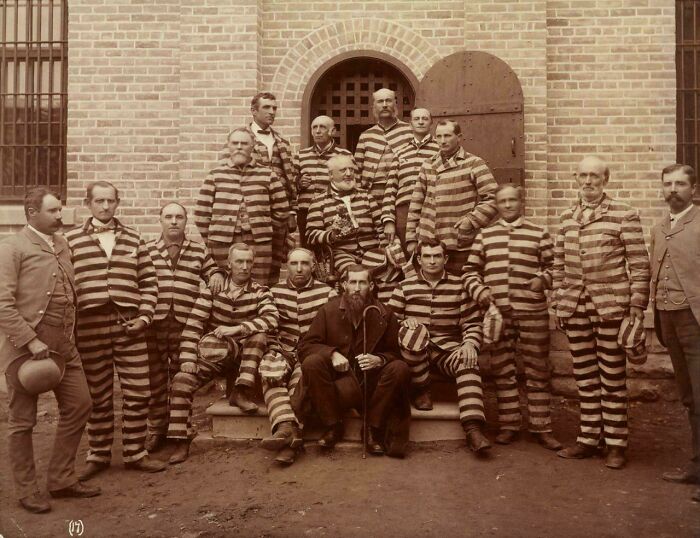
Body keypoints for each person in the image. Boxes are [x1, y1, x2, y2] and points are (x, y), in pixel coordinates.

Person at [0, 188, 99, 513]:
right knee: (22, 421)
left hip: (63, 344)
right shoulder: (12, 247)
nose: (60, 216)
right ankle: (27, 490)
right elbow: (2, 304)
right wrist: (30, 340)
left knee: (80, 404)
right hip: (27, 347)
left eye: (60, 211)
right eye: (53, 211)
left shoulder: (61, 244)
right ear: (31, 212)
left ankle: (60, 478)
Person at [553, 156, 650, 470]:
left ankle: (616, 444)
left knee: (612, 377)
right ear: (576, 179)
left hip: (610, 308)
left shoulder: (624, 214)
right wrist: (558, 302)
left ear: (605, 179)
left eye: (594, 175)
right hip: (575, 307)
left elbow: (639, 265)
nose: (588, 181)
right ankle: (588, 438)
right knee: (584, 376)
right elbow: (558, 266)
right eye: (582, 175)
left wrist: (636, 307)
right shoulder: (567, 217)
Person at [65, 181, 166, 481]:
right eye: (99, 201)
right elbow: (64, 285)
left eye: (110, 201)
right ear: (88, 204)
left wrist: (145, 317)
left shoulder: (134, 238)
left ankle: (135, 452)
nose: (105, 206)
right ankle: (98, 454)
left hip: (129, 325)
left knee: (138, 392)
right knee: (97, 394)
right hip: (89, 324)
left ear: (118, 203)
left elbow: (149, 283)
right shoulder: (70, 240)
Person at [463, 185, 561, 451]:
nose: (507, 205)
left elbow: (557, 268)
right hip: (497, 315)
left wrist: (542, 280)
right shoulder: (485, 235)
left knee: (538, 370)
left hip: (532, 312)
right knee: (502, 369)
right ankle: (509, 424)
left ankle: (542, 427)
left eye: (512, 200)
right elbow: (469, 272)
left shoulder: (538, 233)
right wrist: (481, 292)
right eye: (502, 201)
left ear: (521, 202)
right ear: (496, 205)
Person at [167, 243, 278, 464]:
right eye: (239, 261)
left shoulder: (260, 291)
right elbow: (193, 325)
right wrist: (188, 359)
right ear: (229, 263)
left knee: (259, 336)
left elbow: (272, 319)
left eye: (248, 262)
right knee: (181, 380)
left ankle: (241, 390)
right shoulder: (211, 291)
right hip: (215, 355)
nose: (244, 267)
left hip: (246, 359)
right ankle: (181, 440)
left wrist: (239, 328)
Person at [388, 239, 491, 455]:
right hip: (415, 354)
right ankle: (422, 390)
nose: (432, 261)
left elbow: (472, 322)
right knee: (412, 335)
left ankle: (473, 429)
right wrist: (403, 324)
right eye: (427, 256)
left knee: (467, 359)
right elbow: (389, 322)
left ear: (445, 259)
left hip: (447, 350)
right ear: (419, 260)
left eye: (437, 256)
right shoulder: (405, 286)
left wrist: (470, 344)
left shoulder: (459, 285)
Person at [298, 265, 411, 456]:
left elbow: (395, 353)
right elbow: (306, 347)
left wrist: (380, 359)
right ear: (344, 285)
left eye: (362, 282)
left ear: (372, 286)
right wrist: (331, 354)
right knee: (312, 363)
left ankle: (371, 429)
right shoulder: (328, 311)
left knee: (399, 368)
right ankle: (333, 425)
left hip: (372, 387)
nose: (357, 288)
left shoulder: (385, 313)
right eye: (353, 282)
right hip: (337, 386)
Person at [143, 202, 226, 453]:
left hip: (184, 324)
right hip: (155, 324)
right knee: (155, 379)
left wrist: (216, 274)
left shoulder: (198, 250)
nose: (174, 221)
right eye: (168, 216)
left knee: (183, 376)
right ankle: (157, 428)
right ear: (160, 220)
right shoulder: (146, 250)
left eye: (179, 217)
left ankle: (181, 429)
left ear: (186, 221)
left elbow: (212, 269)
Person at [650, 164, 700, 501]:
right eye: (667, 184)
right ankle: (696, 466)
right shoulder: (657, 228)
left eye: (680, 184)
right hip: (667, 318)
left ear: (693, 189)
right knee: (688, 396)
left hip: (694, 320)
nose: (673, 190)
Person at [259, 248, 335, 465]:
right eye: (294, 263)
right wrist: (275, 351)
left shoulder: (327, 293)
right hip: (282, 349)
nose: (299, 268)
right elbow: (270, 327)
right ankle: (287, 429)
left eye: (304, 263)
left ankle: (289, 439)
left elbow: (332, 330)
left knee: (300, 381)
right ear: (287, 266)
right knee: (270, 371)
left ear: (313, 266)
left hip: (311, 351)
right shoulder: (274, 292)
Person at [195, 128, 290, 286]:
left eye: (244, 143)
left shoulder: (267, 175)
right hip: (221, 245)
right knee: (222, 287)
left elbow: (282, 211)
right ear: (229, 146)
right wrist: (215, 236)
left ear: (252, 146)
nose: (239, 147)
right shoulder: (215, 175)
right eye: (235, 143)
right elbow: (201, 215)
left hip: (260, 244)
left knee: (259, 287)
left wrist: (263, 228)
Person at [405, 119, 498, 275]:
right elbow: (416, 203)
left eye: (447, 136)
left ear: (459, 137)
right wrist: (411, 238)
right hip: (430, 245)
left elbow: (494, 197)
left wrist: (471, 220)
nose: (442, 141)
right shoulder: (428, 164)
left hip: (458, 243)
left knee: (458, 287)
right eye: (438, 136)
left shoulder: (474, 163)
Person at [305, 154, 387, 276]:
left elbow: (381, 227)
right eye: (343, 170)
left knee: (385, 271)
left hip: (371, 249)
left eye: (351, 170)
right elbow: (310, 235)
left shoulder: (366, 196)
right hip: (341, 252)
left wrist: (384, 248)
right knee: (354, 273)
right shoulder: (319, 201)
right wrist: (331, 235)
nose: (349, 174)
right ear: (331, 175)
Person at [246, 92, 297, 283]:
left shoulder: (282, 142)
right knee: (251, 259)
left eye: (274, 108)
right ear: (253, 111)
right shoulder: (241, 139)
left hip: (278, 213)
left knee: (275, 261)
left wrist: (291, 211)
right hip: (254, 211)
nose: (272, 112)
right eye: (266, 107)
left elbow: (290, 179)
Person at [354, 87, 412, 243]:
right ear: (374, 106)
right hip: (372, 196)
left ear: (395, 104)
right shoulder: (366, 136)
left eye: (388, 100)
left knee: (401, 236)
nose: (385, 105)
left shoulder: (409, 131)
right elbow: (356, 170)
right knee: (375, 238)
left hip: (399, 194)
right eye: (380, 101)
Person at [382, 108, 439, 247]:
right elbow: (390, 188)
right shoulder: (401, 152)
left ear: (431, 123)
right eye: (416, 119)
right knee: (405, 256)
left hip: (431, 210)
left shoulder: (439, 149)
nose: (420, 122)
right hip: (403, 213)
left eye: (425, 119)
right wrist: (389, 220)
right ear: (410, 124)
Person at [293, 115, 354, 245]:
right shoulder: (301, 155)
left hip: (332, 210)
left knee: (333, 248)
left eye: (322, 127)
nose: (318, 131)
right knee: (307, 249)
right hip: (306, 211)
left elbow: (352, 184)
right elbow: (290, 185)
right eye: (314, 127)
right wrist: (299, 183)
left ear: (333, 131)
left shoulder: (345, 155)